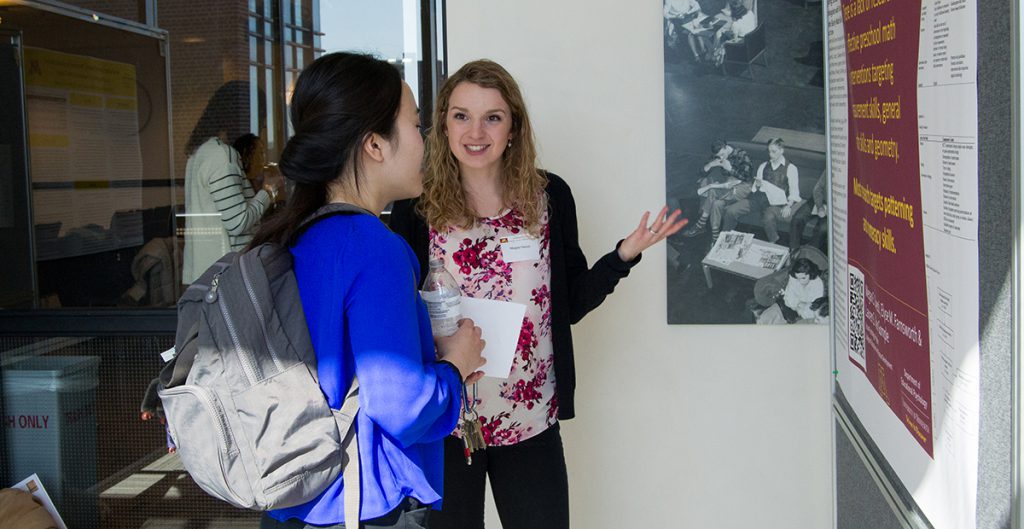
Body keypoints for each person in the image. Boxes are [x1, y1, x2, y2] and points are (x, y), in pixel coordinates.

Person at [389, 59, 687, 529]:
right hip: (446, 419)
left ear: (514, 127)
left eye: (493, 116)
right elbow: (396, 314)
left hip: (529, 416)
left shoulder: (549, 197)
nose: (476, 131)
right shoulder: (415, 206)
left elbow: (568, 306)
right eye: (461, 115)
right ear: (442, 124)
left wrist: (623, 256)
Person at [253, 52, 486, 529]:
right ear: (375, 145)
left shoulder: (291, 235)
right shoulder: (374, 248)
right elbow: (400, 406)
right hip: (357, 501)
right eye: (417, 124)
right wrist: (455, 364)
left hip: (291, 498)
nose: (426, 141)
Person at [182, 81, 285, 284]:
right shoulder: (223, 155)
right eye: (261, 115)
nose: (263, 125)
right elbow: (238, 222)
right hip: (226, 274)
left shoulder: (200, 152)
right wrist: (269, 190)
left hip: (206, 271)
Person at [719, 138, 801, 244]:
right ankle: (723, 241)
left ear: (782, 150)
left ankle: (773, 244)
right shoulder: (763, 166)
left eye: (774, 151)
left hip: (775, 203)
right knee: (731, 211)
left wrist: (788, 205)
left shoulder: (791, 168)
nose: (771, 155)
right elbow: (754, 189)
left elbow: (794, 192)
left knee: (768, 218)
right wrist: (757, 185)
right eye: (769, 151)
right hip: (758, 199)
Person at [681, 139, 753, 240]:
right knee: (716, 203)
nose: (721, 157)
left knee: (713, 190)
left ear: (726, 147)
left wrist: (730, 168)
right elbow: (700, 172)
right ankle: (715, 238)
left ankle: (700, 225)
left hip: (742, 187)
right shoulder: (718, 155)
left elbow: (747, 176)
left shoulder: (741, 154)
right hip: (728, 186)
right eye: (719, 156)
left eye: (723, 154)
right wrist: (711, 164)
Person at [756, 257, 824, 324]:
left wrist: (798, 305)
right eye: (798, 278)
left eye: (803, 278)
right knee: (762, 320)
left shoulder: (818, 285)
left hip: (801, 317)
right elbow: (788, 299)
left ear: (811, 273)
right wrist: (800, 304)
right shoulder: (794, 277)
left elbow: (813, 312)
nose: (800, 282)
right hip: (785, 308)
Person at [701, 0, 757, 66]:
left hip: (742, 43)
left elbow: (734, 40)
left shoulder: (735, 24)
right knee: (721, 31)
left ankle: (713, 53)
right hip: (751, 38)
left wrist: (724, 44)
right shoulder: (750, 13)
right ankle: (713, 52)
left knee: (719, 40)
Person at [788, 171, 828, 254]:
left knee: (822, 229)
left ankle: (809, 254)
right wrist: (820, 206)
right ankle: (793, 251)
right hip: (818, 200)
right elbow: (817, 189)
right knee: (797, 219)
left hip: (834, 207)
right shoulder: (829, 169)